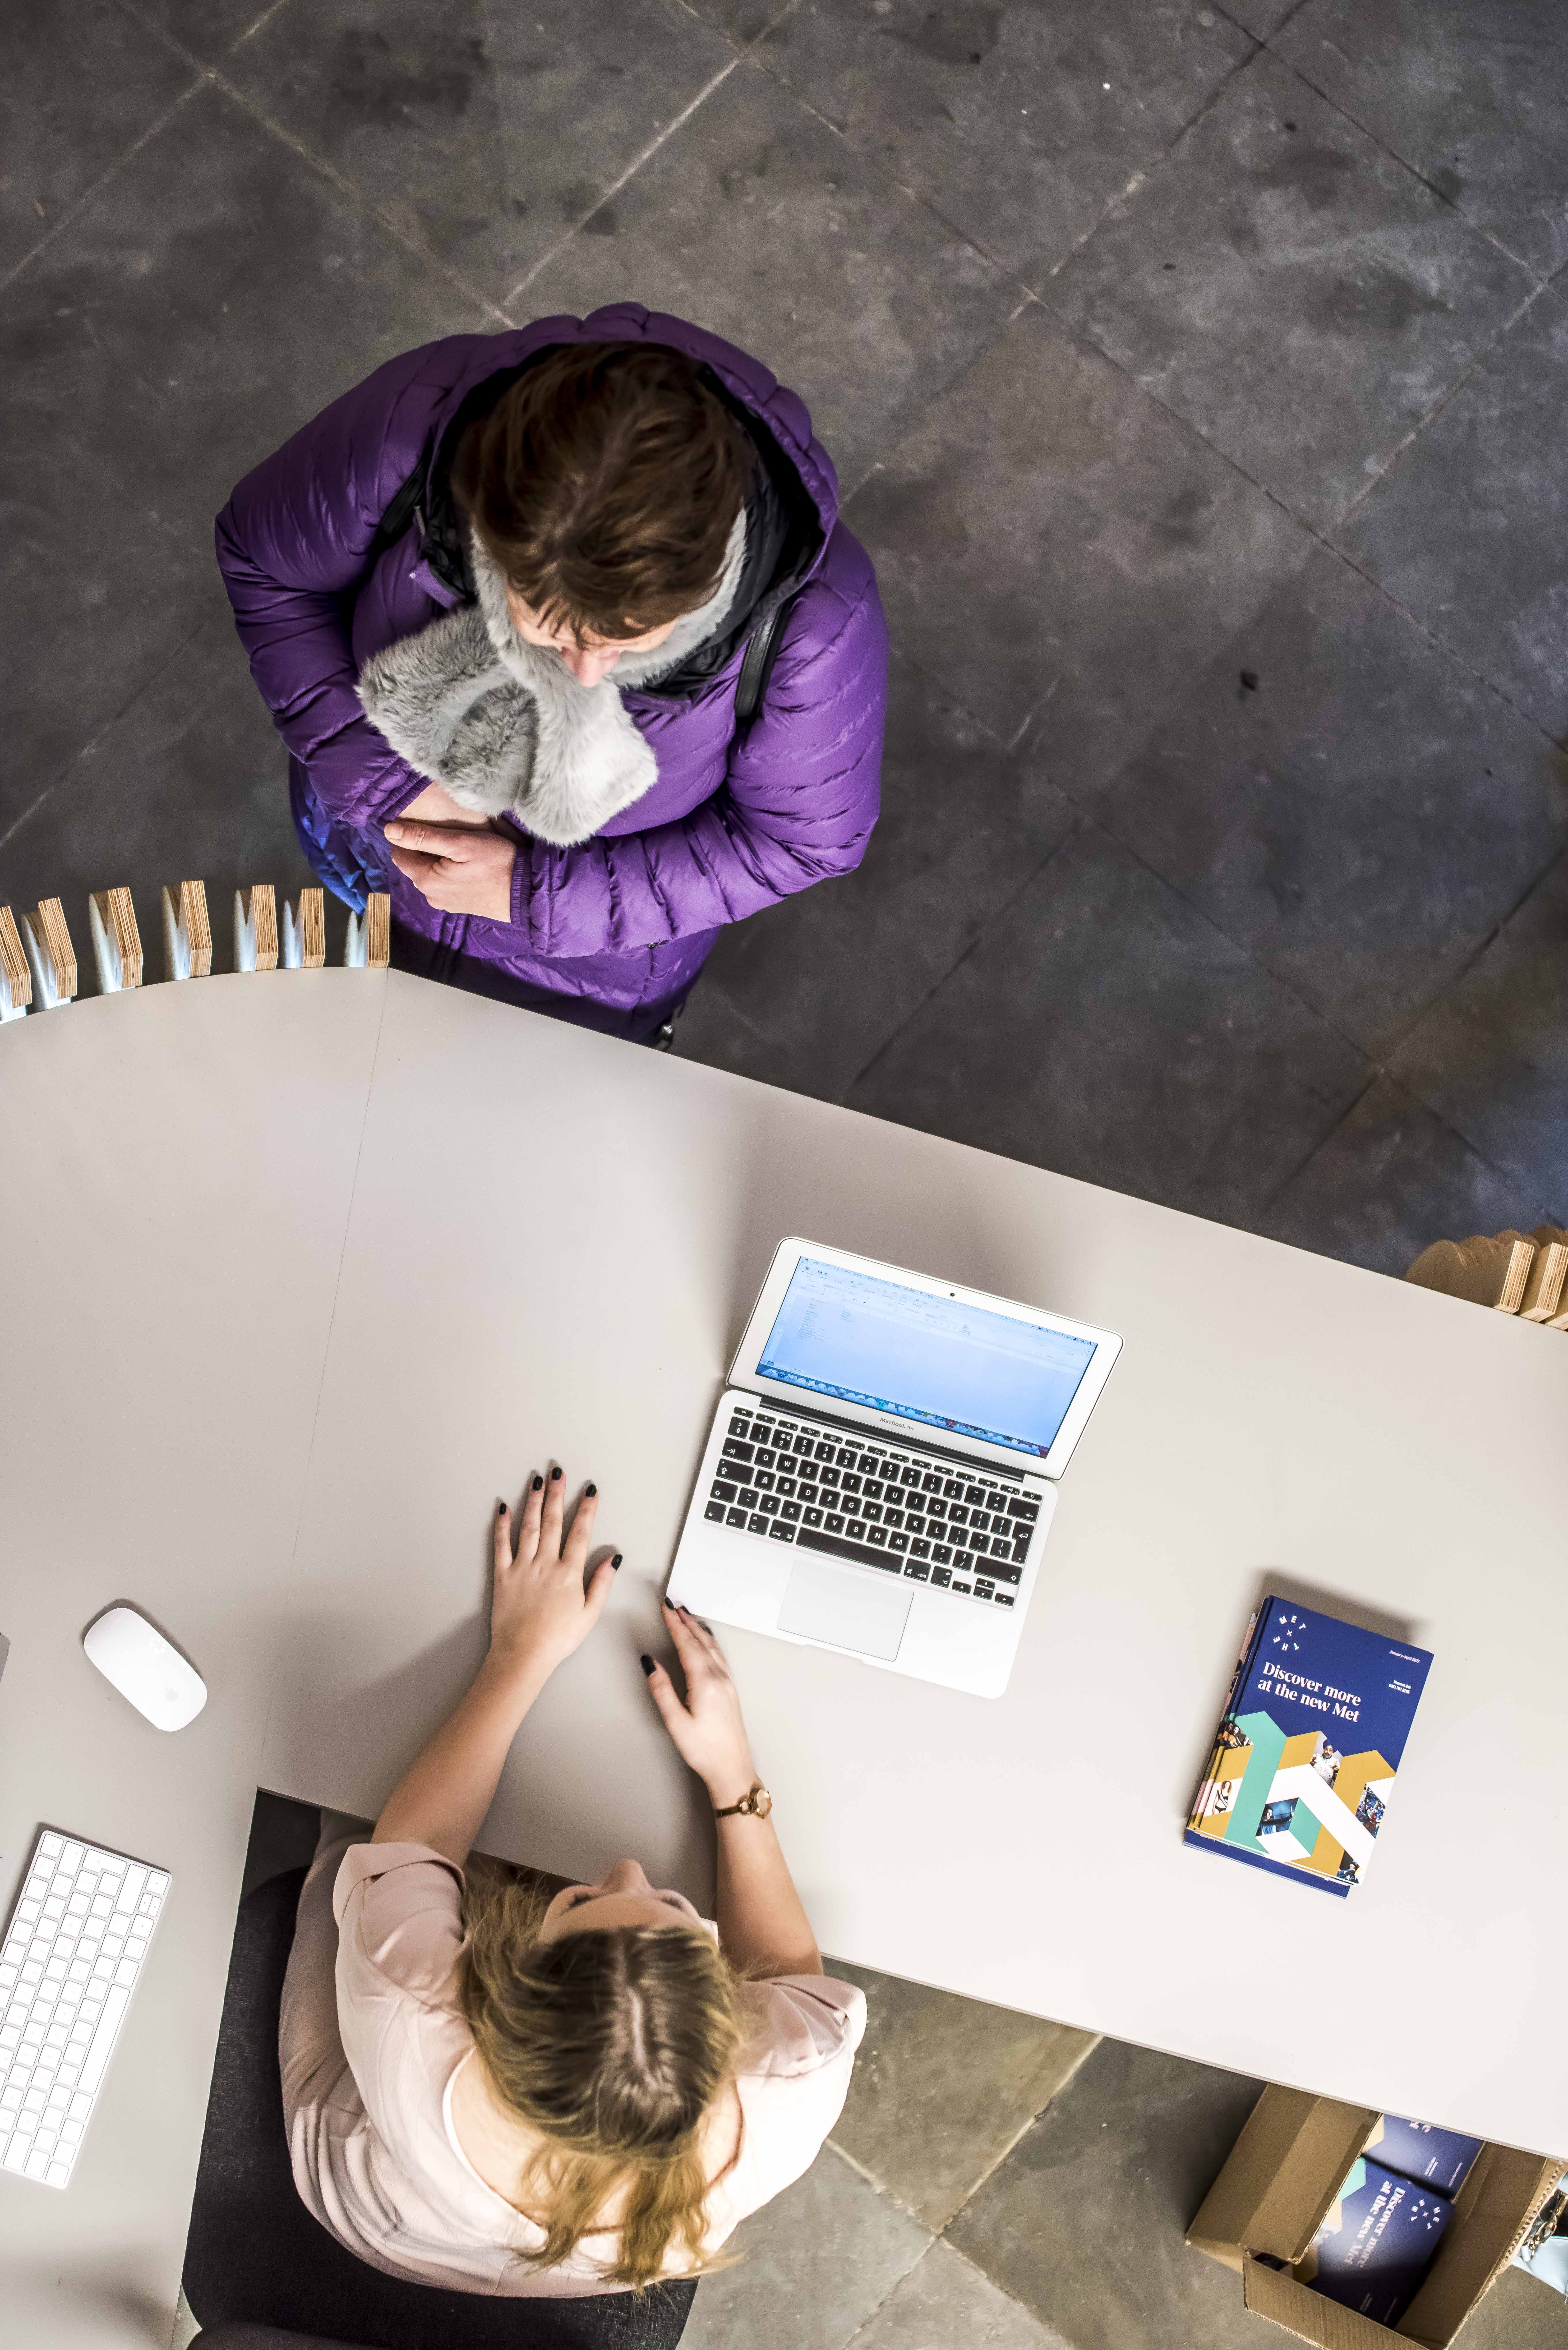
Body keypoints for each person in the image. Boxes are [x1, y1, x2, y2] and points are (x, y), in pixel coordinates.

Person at [216, 305, 887, 1043]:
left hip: (570, 979)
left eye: (633, 645)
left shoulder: (813, 628)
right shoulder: (413, 432)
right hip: (366, 860)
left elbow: (802, 842)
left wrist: (530, 896)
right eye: (552, 631)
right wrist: (387, 786)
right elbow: (265, 562)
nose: (588, 672)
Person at [279, 1463, 864, 2296]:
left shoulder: (415, 2002)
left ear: (503, 1995)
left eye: (585, 1899)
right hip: (580, 2262)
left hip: (377, 2205)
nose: (627, 1868)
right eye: (669, 1903)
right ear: (733, 2021)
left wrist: (520, 1653)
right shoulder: (789, 2082)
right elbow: (790, 1975)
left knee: (352, 1825)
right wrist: (733, 1776)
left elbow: (416, 1844)